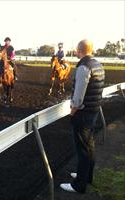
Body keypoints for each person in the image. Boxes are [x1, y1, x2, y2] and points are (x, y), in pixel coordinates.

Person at [60, 39, 105, 193]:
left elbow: (78, 97)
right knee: (89, 145)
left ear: (79, 51)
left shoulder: (83, 67)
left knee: (82, 150)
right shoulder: (98, 64)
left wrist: (72, 112)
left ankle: (79, 185)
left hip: (83, 114)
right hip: (93, 111)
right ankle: (87, 176)